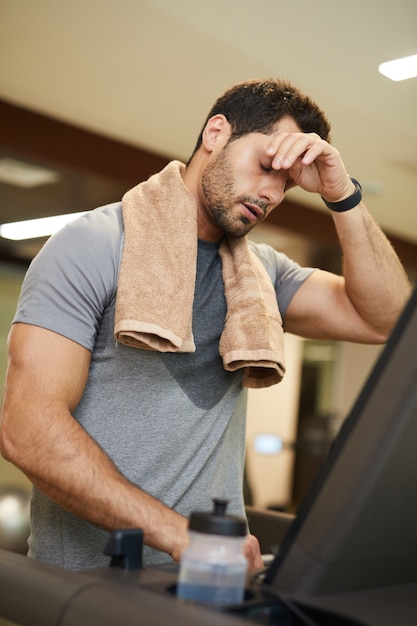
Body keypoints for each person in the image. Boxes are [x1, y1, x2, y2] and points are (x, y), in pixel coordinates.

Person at [0, 79, 411, 572]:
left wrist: (341, 193)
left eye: (286, 182)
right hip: (88, 585)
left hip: (212, 577)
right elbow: (29, 431)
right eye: (266, 167)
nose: (272, 193)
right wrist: (181, 536)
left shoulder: (262, 275)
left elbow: (388, 319)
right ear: (216, 132)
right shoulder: (94, 245)